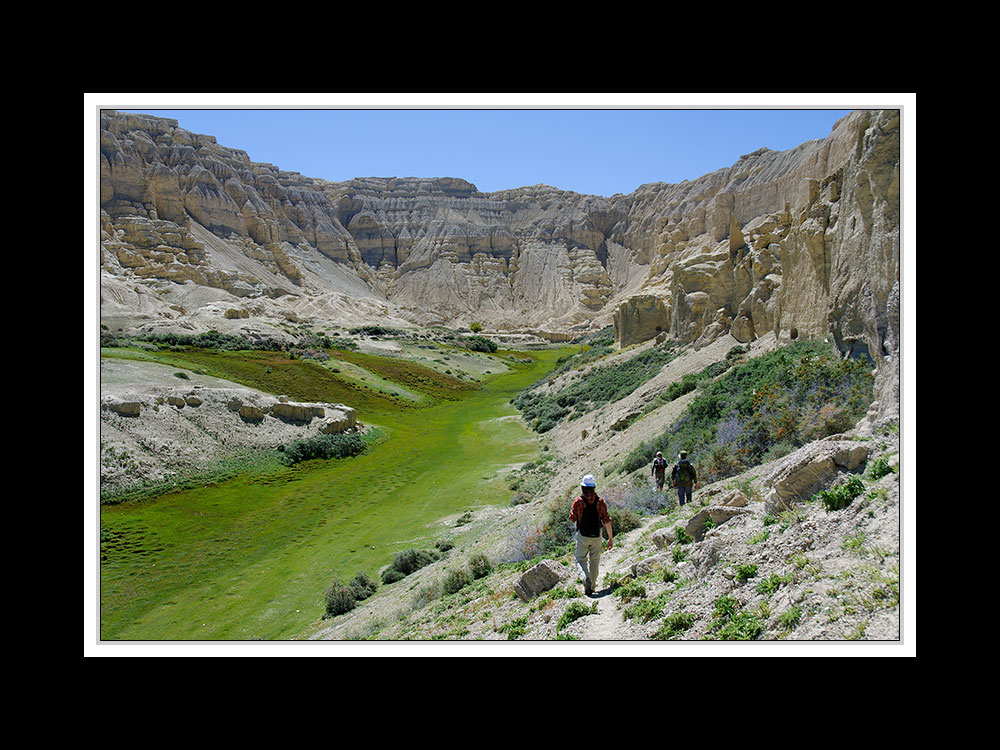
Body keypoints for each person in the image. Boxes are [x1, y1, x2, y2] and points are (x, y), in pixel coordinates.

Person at [569, 474, 613, 596]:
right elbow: (607, 521)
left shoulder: (578, 502)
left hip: (582, 535)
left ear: (583, 488)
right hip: (597, 535)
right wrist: (610, 538)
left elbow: (572, 518)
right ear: (594, 488)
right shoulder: (600, 502)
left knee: (579, 559)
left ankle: (585, 578)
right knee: (594, 560)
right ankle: (592, 586)